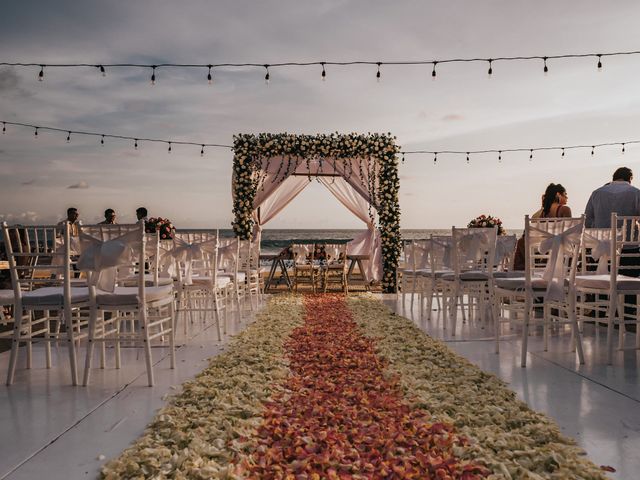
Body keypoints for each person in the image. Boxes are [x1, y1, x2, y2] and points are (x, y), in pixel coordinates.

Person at [585, 167, 640, 329]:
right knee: (632, 272)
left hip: (601, 252)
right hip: (628, 253)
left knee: (602, 270)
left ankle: (599, 310)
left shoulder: (596, 193)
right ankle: (627, 313)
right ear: (630, 178)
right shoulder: (636, 193)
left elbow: (587, 222)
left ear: (613, 177)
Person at [513, 183, 572, 270]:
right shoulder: (565, 209)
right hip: (561, 248)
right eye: (565, 194)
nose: (567, 197)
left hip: (545, 247)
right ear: (558, 195)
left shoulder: (543, 213)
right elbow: (569, 232)